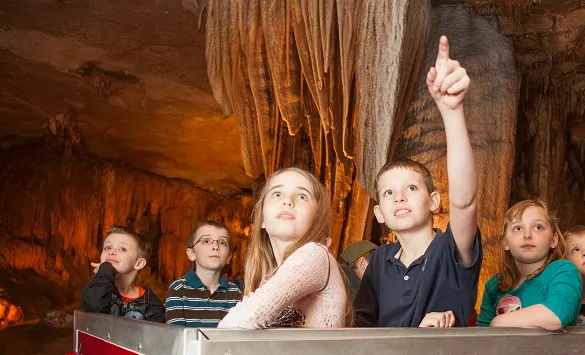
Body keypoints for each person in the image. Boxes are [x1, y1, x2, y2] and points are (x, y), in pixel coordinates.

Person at [353, 36, 481, 328]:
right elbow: (364, 328)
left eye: (411, 188)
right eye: (388, 192)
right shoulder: (380, 262)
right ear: (380, 214)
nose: (399, 197)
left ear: (434, 200)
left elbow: (466, 201)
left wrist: (451, 112)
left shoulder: (451, 251)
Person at [217, 167, 350, 329]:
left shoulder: (316, 254)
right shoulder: (270, 277)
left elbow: (243, 319)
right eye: (277, 194)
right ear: (263, 219)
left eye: (302, 196)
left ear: (316, 218)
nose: (288, 201)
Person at [477, 200, 582, 329]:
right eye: (517, 228)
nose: (527, 235)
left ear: (553, 240)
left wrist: (497, 322)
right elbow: (481, 338)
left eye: (538, 227)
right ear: (505, 242)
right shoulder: (494, 285)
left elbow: (555, 316)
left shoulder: (564, 271)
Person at [165, 220, 242, 327]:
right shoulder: (178, 289)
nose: (215, 246)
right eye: (206, 241)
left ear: (229, 257)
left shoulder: (235, 292)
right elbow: (176, 337)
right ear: (191, 254)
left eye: (222, 242)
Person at [81, 225, 164, 322]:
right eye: (107, 247)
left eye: (122, 249)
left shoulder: (151, 303)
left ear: (139, 263)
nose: (111, 251)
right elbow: (93, 307)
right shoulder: (94, 289)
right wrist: (105, 270)